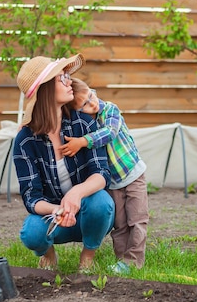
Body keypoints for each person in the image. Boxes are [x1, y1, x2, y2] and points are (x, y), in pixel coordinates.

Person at [12, 54, 115, 272]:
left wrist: (76, 193)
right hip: (56, 218)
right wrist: (58, 209)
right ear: (46, 89)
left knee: (101, 203)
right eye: (62, 78)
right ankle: (48, 254)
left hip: (88, 214)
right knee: (31, 233)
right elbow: (31, 197)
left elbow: (101, 173)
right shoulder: (25, 141)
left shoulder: (84, 123)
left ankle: (88, 257)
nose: (69, 81)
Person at [59, 77, 148, 273]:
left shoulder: (110, 109)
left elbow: (110, 132)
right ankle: (122, 261)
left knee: (137, 220)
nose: (93, 102)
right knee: (121, 224)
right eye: (85, 104)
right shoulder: (85, 124)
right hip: (114, 182)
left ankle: (134, 261)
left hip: (133, 174)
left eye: (91, 95)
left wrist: (82, 141)